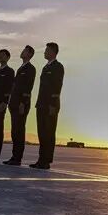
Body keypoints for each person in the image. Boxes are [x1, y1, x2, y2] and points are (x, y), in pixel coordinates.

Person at [30, 42, 64, 170]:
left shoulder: (58, 67)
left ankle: (46, 161)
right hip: (41, 104)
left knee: (49, 133)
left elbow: (57, 86)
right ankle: (41, 159)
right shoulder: (45, 67)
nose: (44, 52)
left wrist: (53, 105)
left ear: (53, 52)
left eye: (47, 50)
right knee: (42, 133)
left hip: (50, 105)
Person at [4, 45, 36, 165]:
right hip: (14, 103)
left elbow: (28, 87)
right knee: (14, 131)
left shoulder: (30, 69)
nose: (22, 52)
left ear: (29, 54)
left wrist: (23, 103)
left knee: (19, 131)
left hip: (21, 104)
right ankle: (14, 156)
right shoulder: (20, 68)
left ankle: (17, 158)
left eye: (24, 51)